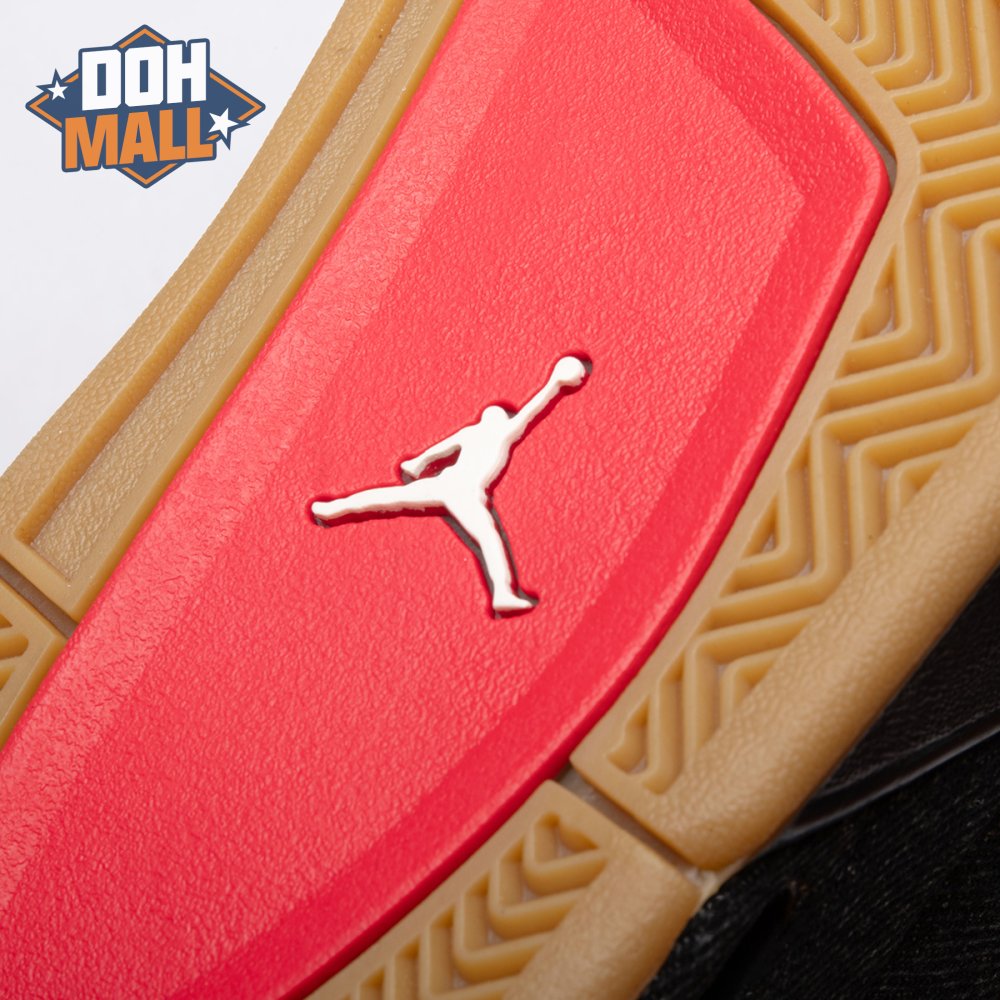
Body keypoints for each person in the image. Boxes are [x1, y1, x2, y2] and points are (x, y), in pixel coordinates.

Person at [311, 355, 590, 614]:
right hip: (463, 491)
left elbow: (439, 450)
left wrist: (418, 464)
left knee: (387, 497)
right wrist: (555, 383)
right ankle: (503, 593)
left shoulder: (475, 432)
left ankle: (332, 509)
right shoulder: (502, 432)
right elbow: (531, 409)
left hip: (445, 483)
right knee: (488, 539)